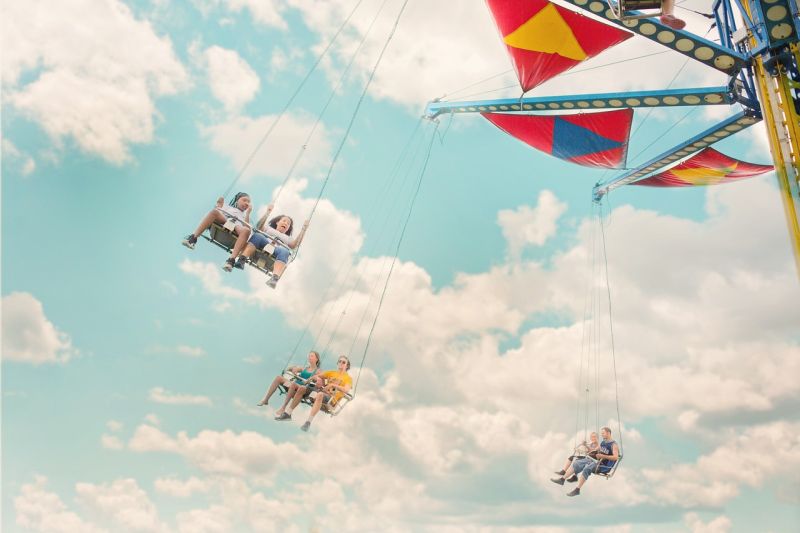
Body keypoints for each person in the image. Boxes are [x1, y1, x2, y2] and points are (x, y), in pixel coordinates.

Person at [235, 204, 309, 288]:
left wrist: (304, 229)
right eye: (284, 221)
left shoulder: (288, 239)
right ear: (277, 222)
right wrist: (267, 213)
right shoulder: (268, 228)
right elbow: (259, 227)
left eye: (288, 224)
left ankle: (274, 278)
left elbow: (295, 245)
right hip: (264, 243)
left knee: (285, 251)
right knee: (258, 236)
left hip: (277, 249)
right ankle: (242, 259)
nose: (286, 223)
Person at [275, 355, 352, 432]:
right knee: (302, 388)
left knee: (319, 395)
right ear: (337, 363)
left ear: (347, 365)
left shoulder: (348, 378)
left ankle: (308, 422)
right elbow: (316, 376)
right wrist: (317, 378)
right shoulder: (331, 372)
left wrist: (332, 385)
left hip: (330, 398)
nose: (341, 363)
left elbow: (346, 389)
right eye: (339, 361)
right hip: (321, 391)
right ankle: (288, 414)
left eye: (344, 362)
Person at [182, 192, 253, 272]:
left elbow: (246, 228)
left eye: (248, 202)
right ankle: (192, 238)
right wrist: (219, 204)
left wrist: (247, 214)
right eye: (244, 200)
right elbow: (218, 211)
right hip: (224, 221)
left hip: (236, 228)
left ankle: (231, 260)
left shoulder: (245, 216)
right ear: (237, 200)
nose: (246, 203)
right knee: (214, 212)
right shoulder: (227, 207)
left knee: (247, 230)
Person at [550, 426, 620, 497]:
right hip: (596, 461)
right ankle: (562, 479)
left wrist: (603, 456)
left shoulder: (614, 445)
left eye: (603, 433)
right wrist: (586, 446)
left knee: (587, 468)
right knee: (577, 463)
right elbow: (594, 450)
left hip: (603, 466)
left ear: (608, 433)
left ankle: (577, 490)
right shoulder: (603, 442)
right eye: (601, 433)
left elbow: (615, 457)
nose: (602, 435)